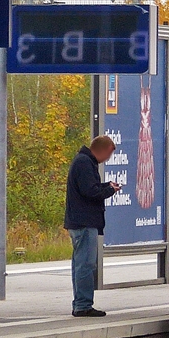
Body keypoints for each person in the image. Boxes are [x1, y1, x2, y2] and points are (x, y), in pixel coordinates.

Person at [64, 136, 121, 317]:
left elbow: (90, 187)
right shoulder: (84, 163)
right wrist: (110, 190)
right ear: (103, 150)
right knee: (85, 265)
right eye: (109, 155)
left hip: (81, 221)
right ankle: (82, 305)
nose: (108, 159)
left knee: (81, 264)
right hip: (84, 222)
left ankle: (81, 302)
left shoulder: (84, 161)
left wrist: (105, 185)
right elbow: (90, 191)